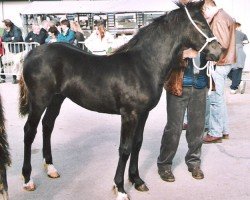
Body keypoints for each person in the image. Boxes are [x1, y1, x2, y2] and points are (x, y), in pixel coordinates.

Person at [157, 47, 207, 182]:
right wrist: (183, 54)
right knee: (174, 128)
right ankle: (164, 164)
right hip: (179, 85)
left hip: (200, 85)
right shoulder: (179, 30)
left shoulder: (207, 34)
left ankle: (194, 163)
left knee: (197, 127)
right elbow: (162, 54)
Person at [203, 0, 236, 143]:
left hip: (219, 63)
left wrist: (210, 58)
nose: (202, 13)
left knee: (215, 99)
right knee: (219, 99)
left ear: (208, 6)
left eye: (203, 9)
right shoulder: (224, 16)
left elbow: (221, 44)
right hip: (224, 62)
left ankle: (215, 132)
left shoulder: (218, 20)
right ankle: (223, 130)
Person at [228, 22, 249, 94]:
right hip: (237, 53)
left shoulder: (228, 33)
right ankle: (239, 83)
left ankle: (234, 87)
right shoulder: (242, 34)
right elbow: (246, 42)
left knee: (232, 70)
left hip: (234, 52)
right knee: (236, 70)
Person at [2, 19, 24, 84]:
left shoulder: (16, 29)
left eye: (3, 24)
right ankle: (15, 77)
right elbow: (3, 38)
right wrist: (11, 38)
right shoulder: (6, 30)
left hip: (19, 49)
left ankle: (18, 77)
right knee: (15, 63)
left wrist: (10, 38)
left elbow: (17, 38)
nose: (2, 26)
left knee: (17, 63)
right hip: (12, 49)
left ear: (7, 25)